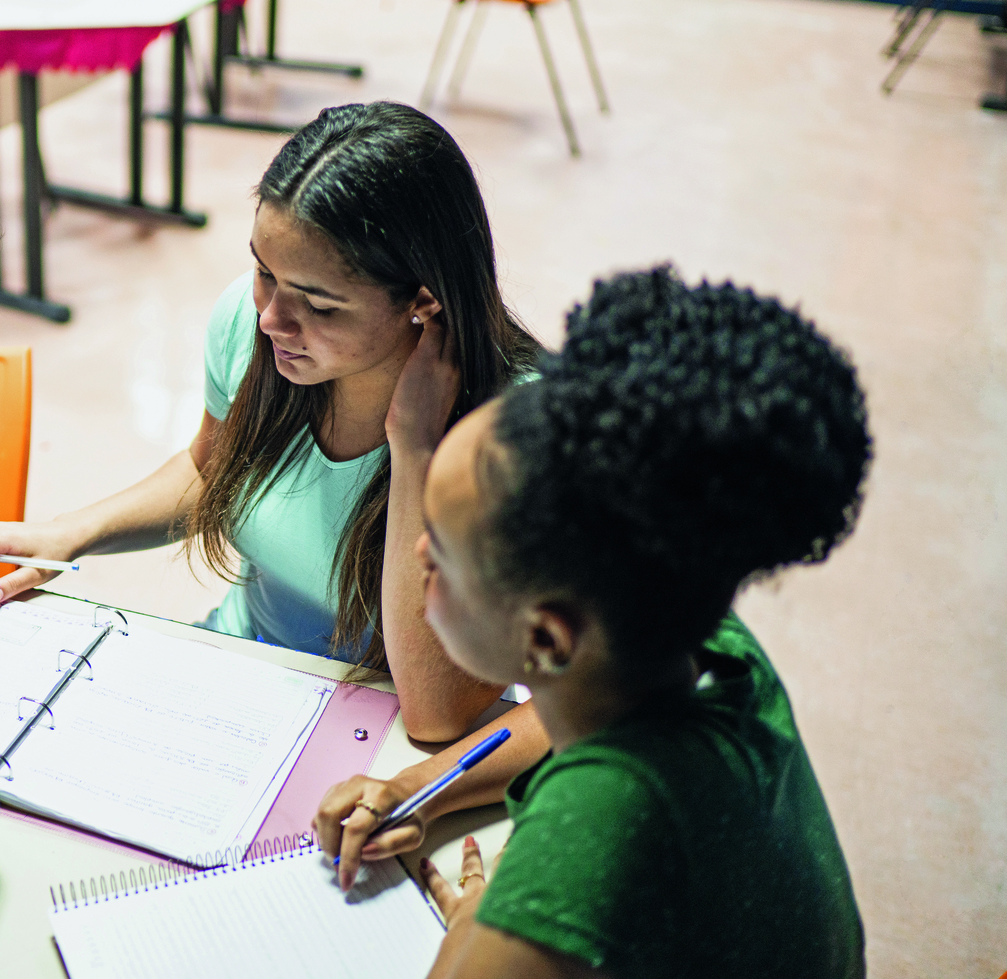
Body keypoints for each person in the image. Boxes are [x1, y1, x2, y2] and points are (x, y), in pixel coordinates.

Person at [316, 266, 870, 979]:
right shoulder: (704, 645)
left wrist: (482, 935)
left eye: (443, 552)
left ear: (545, 637)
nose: (418, 550)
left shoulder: (599, 822)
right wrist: (418, 787)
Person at [0, 101, 542, 742]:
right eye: (263, 271)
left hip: (384, 732)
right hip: (242, 670)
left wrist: (417, 445)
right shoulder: (254, 331)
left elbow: (435, 709)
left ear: (423, 302)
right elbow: (212, 469)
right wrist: (70, 533)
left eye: (317, 303)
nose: (270, 319)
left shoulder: (515, 431)